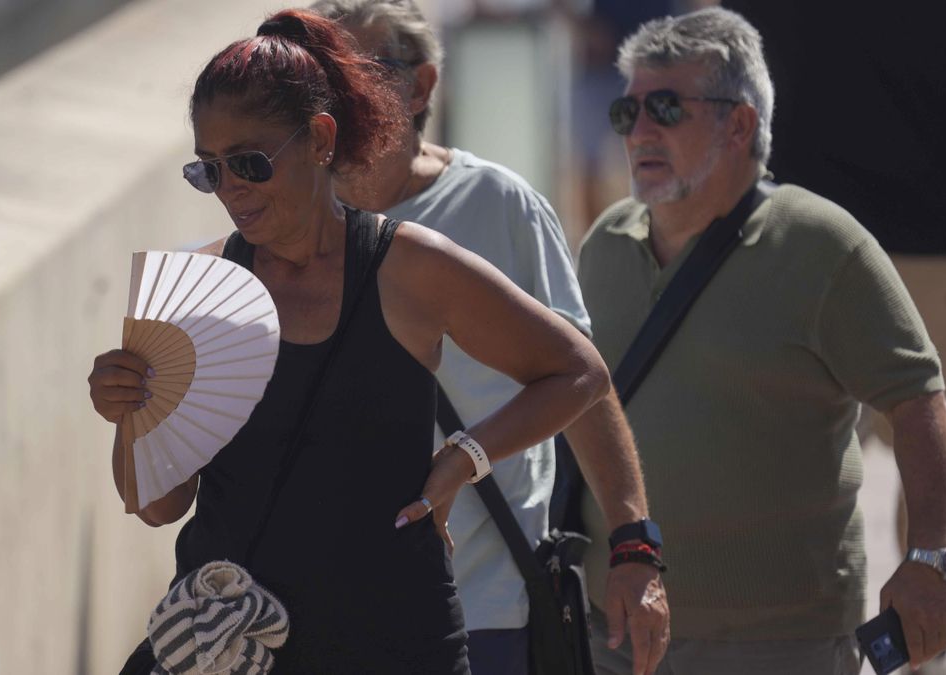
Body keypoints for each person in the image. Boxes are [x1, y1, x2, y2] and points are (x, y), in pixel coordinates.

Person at [87, 8, 613, 674]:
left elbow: (577, 371)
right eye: (209, 170)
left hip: (398, 646)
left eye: (249, 162)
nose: (232, 191)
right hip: (240, 648)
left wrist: (463, 457)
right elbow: (158, 503)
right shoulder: (200, 287)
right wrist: (130, 411)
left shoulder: (410, 268)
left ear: (319, 137)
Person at [573, 7, 946, 674]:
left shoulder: (823, 245)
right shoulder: (604, 243)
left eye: (664, 108)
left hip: (782, 643)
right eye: (626, 112)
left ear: (740, 124)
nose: (638, 132)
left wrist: (928, 559)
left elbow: (918, 401)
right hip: (619, 626)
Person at [307, 2, 669, 673]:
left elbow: (583, 383)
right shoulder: (294, 221)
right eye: (325, 76)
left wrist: (633, 548)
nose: (342, 95)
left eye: (363, 72)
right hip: (330, 612)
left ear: (420, 88)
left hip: (485, 609)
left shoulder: (500, 206)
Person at [717, 3, 946, 670]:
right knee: (930, 436)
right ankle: (917, 649)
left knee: (803, 448)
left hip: (813, 216)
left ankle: (856, 645)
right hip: (917, 218)